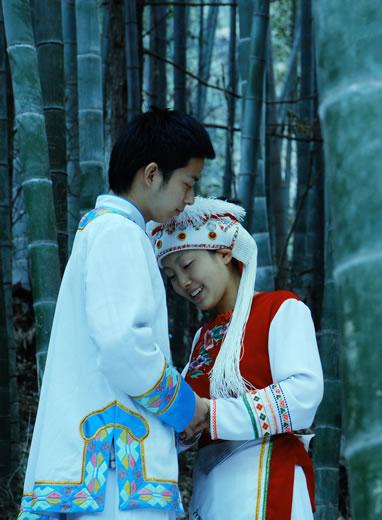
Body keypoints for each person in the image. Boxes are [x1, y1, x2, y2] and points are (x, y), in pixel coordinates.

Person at [18, 109, 216, 519]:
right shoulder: (118, 233)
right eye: (187, 183)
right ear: (152, 174)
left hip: (106, 467)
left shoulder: (105, 231)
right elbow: (123, 346)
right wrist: (185, 407)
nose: (189, 199)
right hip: (115, 471)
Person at [149, 197, 323, 519]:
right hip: (211, 492)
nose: (182, 283)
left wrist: (210, 415)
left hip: (269, 480)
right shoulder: (202, 338)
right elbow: (185, 418)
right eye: (171, 276)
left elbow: (303, 396)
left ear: (225, 253)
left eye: (187, 265)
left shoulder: (281, 309)